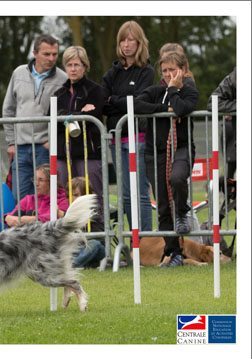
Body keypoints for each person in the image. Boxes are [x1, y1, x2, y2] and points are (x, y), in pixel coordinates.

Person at [134, 51, 199, 267]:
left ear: (182, 70)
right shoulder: (154, 91)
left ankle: (182, 212)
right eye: (165, 71)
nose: (168, 74)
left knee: (178, 178)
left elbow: (181, 108)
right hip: (155, 152)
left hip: (181, 149)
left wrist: (173, 90)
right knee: (162, 204)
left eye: (172, 70)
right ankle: (174, 253)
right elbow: (137, 105)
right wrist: (164, 109)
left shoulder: (188, 90)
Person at [101, 20, 154, 232]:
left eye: (130, 39)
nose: (126, 44)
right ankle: (134, 243)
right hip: (116, 138)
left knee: (139, 191)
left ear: (139, 42)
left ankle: (147, 242)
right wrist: (120, 102)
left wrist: (114, 100)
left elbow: (140, 102)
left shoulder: (146, 71)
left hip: (138, 138)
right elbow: (103, 103)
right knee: (124, 193)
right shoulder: (112, 72)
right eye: (122, 40)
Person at [2, 34, 67, 202]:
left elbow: (65, 115)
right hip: (21, 148)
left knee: (46, 198)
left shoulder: (63, 79)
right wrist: (11, 142)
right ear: (35, 53)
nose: (51, 58)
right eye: (46, 54)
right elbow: (8, 109)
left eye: (55, 54)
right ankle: (25, 229)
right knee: (20, 197)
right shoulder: (18, 73)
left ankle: (44, 229)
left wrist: (52, 142)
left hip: (45, 149)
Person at [52, 45, 104, 205]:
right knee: (68, 196)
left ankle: (99, 227)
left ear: (85, 66)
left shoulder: (95, 90)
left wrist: (66, 117)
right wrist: (80, 114)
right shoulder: (59, 93)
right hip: (63, 154)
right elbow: (52, 119)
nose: (73, 69)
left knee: (93, 195)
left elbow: (93, 117)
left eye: (77, 65)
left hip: (89, 153)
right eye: (69, 65)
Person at [4, 163, 68, 227]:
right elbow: (11, 214)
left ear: (52, 182)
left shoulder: (63, 199)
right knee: (18, 213)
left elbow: (58, 217)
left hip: (49, 234)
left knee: (31, 213)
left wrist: (35, 219)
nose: (36, 184)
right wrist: (7, 218)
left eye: (41, 180)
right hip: (26, 233)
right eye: (35, 179)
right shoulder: (28, 199)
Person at [69, 177, 106, 269]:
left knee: (93, 244)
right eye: (69, 195)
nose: (72, 198)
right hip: (77, 247)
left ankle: (70, 266)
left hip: (96, 247)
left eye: (76, 195)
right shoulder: (70, 210)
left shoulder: (93, 209)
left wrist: (65, 215)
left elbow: (83, 220)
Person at [207, 67, 236, 179]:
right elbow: (213, 102)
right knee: (229, 171)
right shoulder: (232, 79)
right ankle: (227, 195)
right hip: (233, 145)